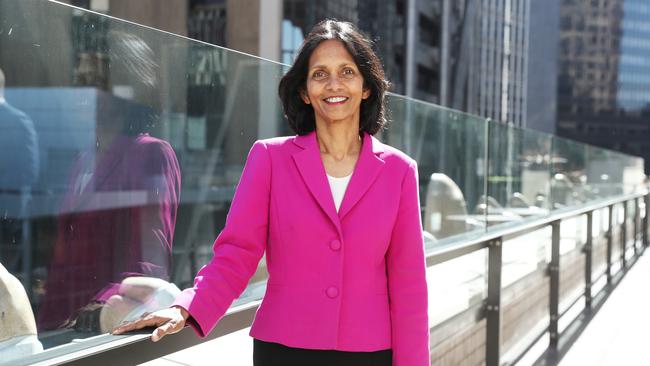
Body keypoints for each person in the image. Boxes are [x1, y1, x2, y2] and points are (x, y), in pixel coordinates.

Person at [113, 19, 430, 365]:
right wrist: (188, 306)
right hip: (283, 349)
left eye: (347, 72)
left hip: (369, 352)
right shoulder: (270, 159)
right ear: (304, 91)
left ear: (366, 87)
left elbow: (409, 286)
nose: (333, 84)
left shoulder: (399, 171)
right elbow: (237, 254)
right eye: (320, 74)